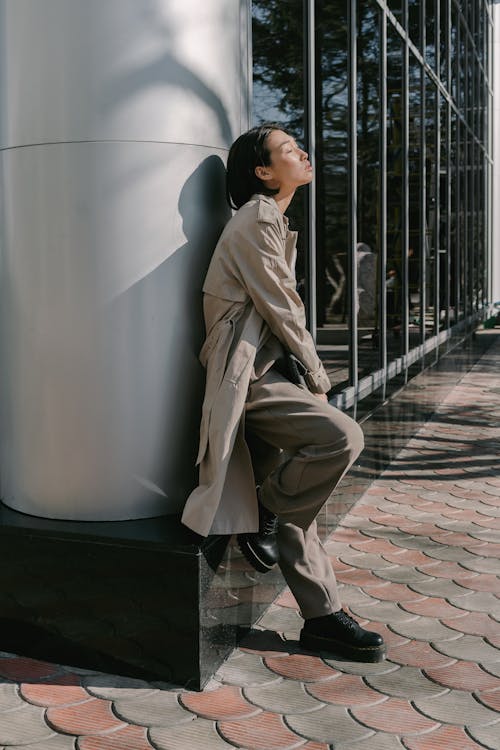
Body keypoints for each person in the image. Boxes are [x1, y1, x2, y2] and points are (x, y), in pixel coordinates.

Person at [181, 123, 385, 662]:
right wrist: (320, 378)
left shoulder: (272, 219)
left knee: (304, 503)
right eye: (289, 149)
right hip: (246, 377)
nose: (303, 151)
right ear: (263, 172)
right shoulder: (255, 219)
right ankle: (269, 507)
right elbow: (283, 308)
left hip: (269, 370)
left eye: (299, 145)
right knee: (340, 437)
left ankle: (321, 618)